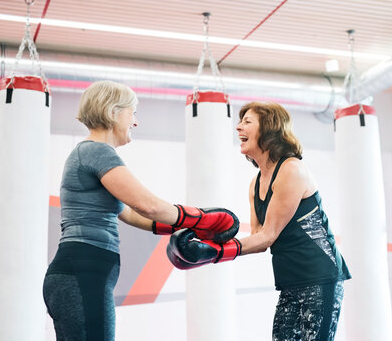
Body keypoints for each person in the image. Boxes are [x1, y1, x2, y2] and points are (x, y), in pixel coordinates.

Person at [42, 80, 239, 341]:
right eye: (132, 112)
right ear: (113, 112)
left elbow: (132, 214)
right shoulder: (97, 152)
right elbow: (147, 205)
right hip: (82, 272)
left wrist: (190, 226)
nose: (134, 121)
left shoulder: (88, 153)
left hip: (78, 273)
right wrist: (202, 219)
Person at [167, 101, 352, 340]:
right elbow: (258, 238)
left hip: (320, 277)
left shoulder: (291, 170)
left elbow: (268, 235)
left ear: (269, 129)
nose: (238, 127)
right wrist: (211, 241)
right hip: (290, 282)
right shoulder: (255, 184)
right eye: (240, 121)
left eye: (247, 122)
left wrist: (214, 253)